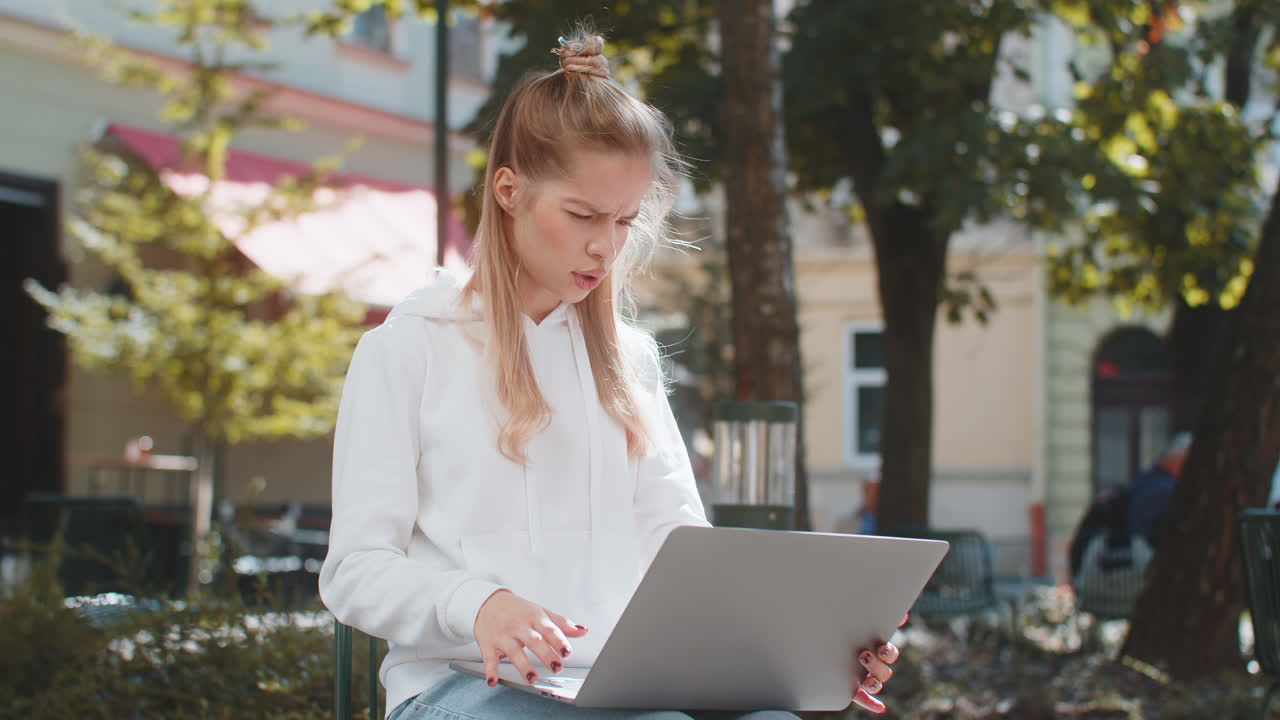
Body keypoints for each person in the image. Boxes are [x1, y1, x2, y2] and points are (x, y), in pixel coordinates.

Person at [319, 32, 901, 720]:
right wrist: (476, 603)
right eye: (582, 215)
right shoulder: (409, 348)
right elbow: (353, 572)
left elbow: (685, 558)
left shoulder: (628, 363)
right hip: (461, 686)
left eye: (625, 220)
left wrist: (816, 643)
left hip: (622, 688)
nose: (606, 245)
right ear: (508, 190)